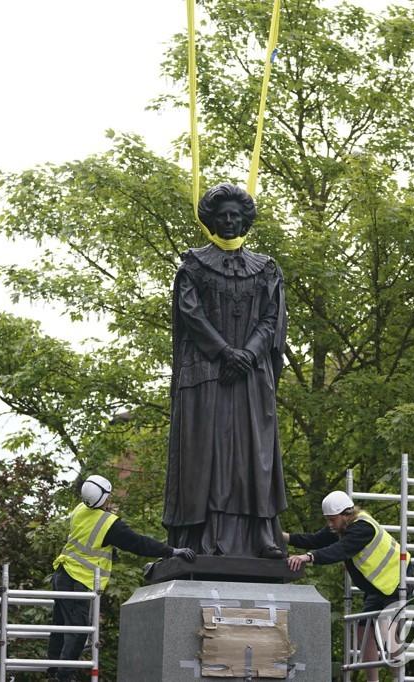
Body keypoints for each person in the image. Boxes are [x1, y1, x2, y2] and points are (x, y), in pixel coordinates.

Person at [162, 182, 288, 558]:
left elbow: (272, 318)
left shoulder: (266, 269)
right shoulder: (193, 266)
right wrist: (224, 353)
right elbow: (191, 316)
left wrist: (247, 355)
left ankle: (260, 536)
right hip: (206, 374)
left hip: (251, 377)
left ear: (246, 220)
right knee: (208, 456)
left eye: (236, 215)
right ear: (211, 221)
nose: (230, 220)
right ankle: (202, 539)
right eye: (223, 215)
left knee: (255, 455)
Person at [47, 474, 196, 681]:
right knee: (78, 631)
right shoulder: (109, 523)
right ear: (104, 499)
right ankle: (64, 675)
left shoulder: (80, 510)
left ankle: (53, 668)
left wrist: (109, 550)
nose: (110, 500)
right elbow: (138, 543)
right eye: (108, 496)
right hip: (79, 580)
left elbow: (88, 539)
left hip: (62, 574)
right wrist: (172, 551)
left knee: (61, 625)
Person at [284, 491, 411, 682]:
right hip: (378, 587)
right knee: (363, 631)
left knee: (389, 632)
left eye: (333, 519)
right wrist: (282, 537)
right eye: (328, 520)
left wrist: (308, 557)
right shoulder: (342, 527)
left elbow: (339, 551)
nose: (330, 524)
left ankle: (398, 678)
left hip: (398, 581)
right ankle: (373, 681)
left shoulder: (362, 528)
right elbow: (314, 539)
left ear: (346, 514)